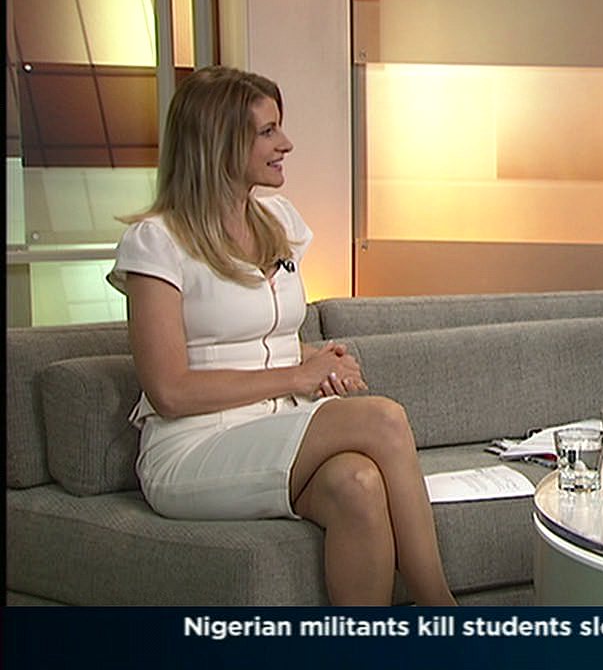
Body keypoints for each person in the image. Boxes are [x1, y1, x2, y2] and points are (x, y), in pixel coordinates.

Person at [108, 66, 455, 606]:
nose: (285, 143)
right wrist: (297, 375)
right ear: (220, 142)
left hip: (277, 423)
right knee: (383, 419)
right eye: (267, 131)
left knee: (358, 483)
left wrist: (318, 360)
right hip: (193, 447)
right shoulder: (157, 242)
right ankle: (444, 617)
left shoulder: (278, 220)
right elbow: (170, 390)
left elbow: (257, 339)